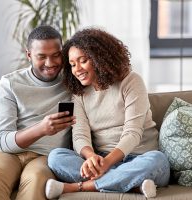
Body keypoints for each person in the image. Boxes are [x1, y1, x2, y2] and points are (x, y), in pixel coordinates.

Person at [45, 28, 170, 199]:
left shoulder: (131, 81)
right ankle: (130, 184)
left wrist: (106, 164)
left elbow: (133, 133)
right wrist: (91, 158)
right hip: (100, 159)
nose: (77, 69)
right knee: (56, 157)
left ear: (99, 58)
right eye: (73, 64)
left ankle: (80, 186)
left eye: (83, 61)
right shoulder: (79, 93)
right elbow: (80, 134)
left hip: (140, 158)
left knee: (158, 160)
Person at [0, 25, 75, 200]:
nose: (50, 63)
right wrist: (41, 129)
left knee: (35, 181)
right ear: (29, 55)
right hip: (7, 154)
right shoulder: (10, 84)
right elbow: (0, 140)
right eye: (41, 57)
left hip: (47, 156)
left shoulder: (73, 82)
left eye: (56, 55)